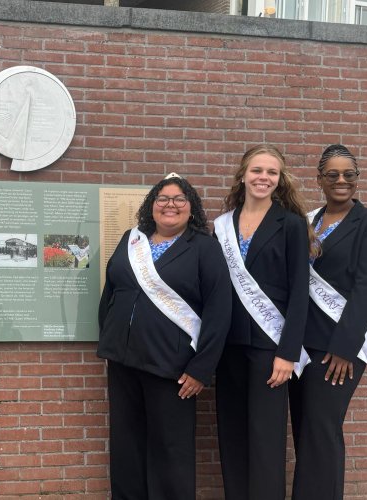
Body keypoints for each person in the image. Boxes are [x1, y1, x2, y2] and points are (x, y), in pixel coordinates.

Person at [97, 173, 232, 499]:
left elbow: (219, 310)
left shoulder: (203, 247)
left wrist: (202, 368)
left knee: (170, 450)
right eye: (162, 199)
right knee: (126, 445)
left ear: (191, 208)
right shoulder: (132, 239)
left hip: (173, 367)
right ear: (152, 206)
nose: (170, 205)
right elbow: (111, 292)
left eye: (178, 200)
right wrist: (111, 335)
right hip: (123, 361)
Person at [288, 145, 367, 500]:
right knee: (306, 429)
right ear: (319, 180)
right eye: (332, 174)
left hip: (338, 348)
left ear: (357, 179)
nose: (341, 180)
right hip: (303, 345)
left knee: (321, 428)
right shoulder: (309, 221)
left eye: (348, 174)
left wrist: (345, 348)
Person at [213, 144, 315, 500]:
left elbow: (299, 293)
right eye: (257, 170)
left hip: (269, 348)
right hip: (227, 347)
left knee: (266, 440)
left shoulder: (289, 224)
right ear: (243, 174)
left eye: (271, 172)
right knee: (232, 436)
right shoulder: (223, 226)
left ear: (279, 179)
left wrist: (288, 353)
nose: (263, 178)